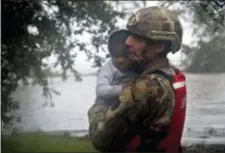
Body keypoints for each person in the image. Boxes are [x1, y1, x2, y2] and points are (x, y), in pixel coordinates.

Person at [88, 6, 187, 153]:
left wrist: (99, 104)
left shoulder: (143, 88)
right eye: (129, 35)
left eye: (137, 37)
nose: (127, 42)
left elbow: (100, 139)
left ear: (159, 46)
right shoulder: (173, 74)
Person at [95, 30, 138, 105]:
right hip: (110, 106)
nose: (120, 60)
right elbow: (100, 91)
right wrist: (123, 88)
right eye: (116, 56)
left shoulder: (138, 64)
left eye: (124, 56)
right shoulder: (108, 68)